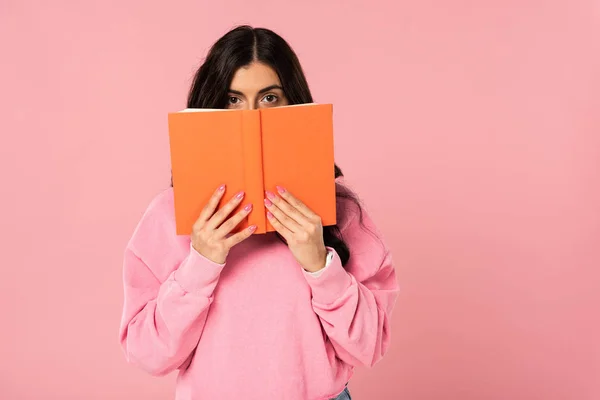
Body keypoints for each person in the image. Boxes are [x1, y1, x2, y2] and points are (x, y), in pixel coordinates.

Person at [119, 25, 399, 400]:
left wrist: (320, 263)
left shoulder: (342, 214)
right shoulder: (167, 216)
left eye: (269, 97)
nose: (250, 116)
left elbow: (368, 347)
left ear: (294, 104)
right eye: (233, 100)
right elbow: (146, 354)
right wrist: (201, 263)